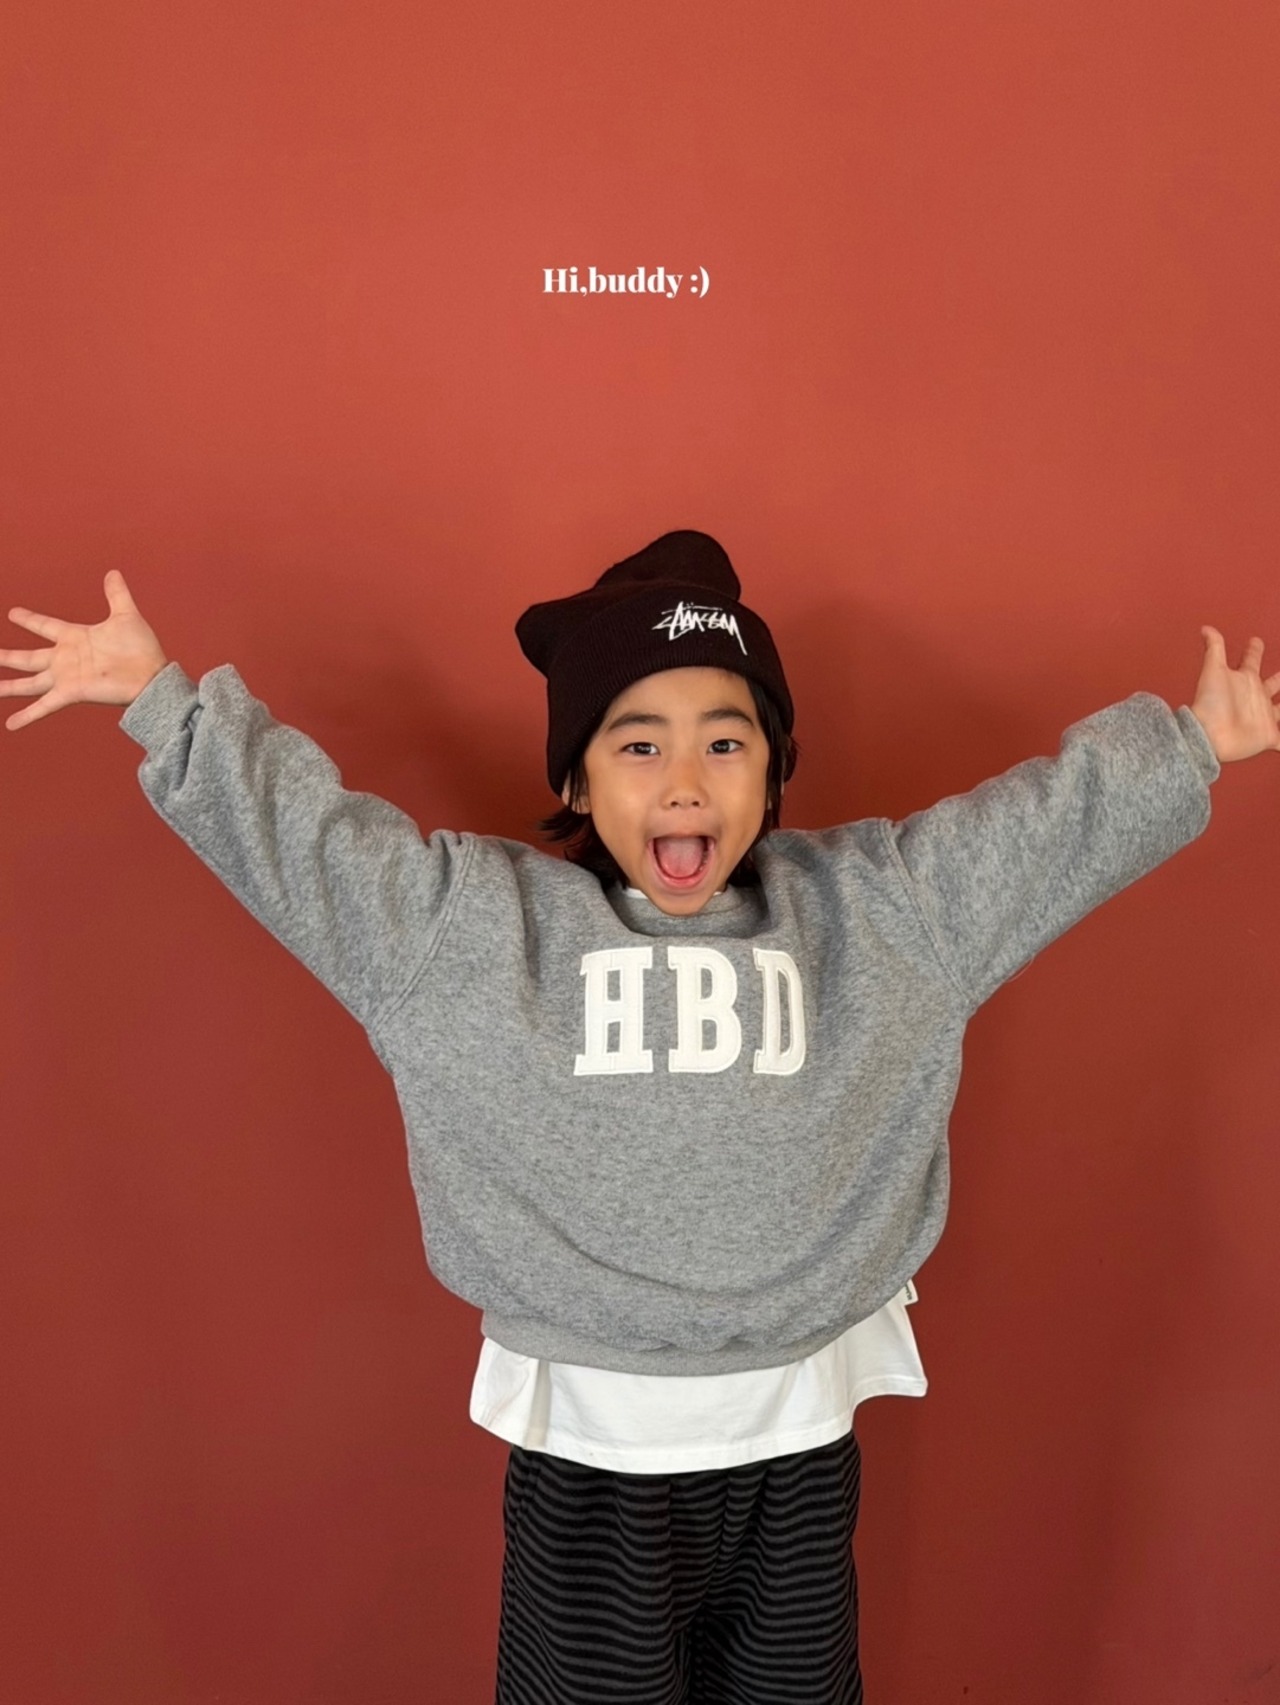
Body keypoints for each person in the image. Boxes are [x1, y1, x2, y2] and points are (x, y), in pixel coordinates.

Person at [3, 531, 1277, 1704]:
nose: (683, 780)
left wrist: (1189, 744)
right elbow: (316, 847)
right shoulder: (472, 930)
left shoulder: (877, 911)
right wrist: (164, 702)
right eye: (636, 744)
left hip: (799, 1442)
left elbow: (1035, 831)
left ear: (772, 771)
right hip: (589, 1461)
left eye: (725, 742)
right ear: (574, 771)